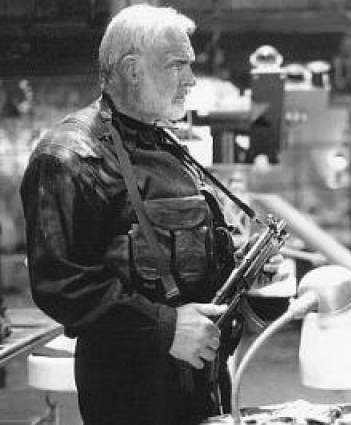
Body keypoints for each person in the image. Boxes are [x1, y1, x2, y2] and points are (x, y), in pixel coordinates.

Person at [20, 5, 285, 425]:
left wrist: (242, 267)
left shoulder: (165, 146)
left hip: (200, 375)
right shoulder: (70, 155)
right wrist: (165, 327)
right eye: (178, 65)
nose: (191, 80)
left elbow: (172, 253)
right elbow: (61, 284)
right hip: (129, 389)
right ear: (132, 70)